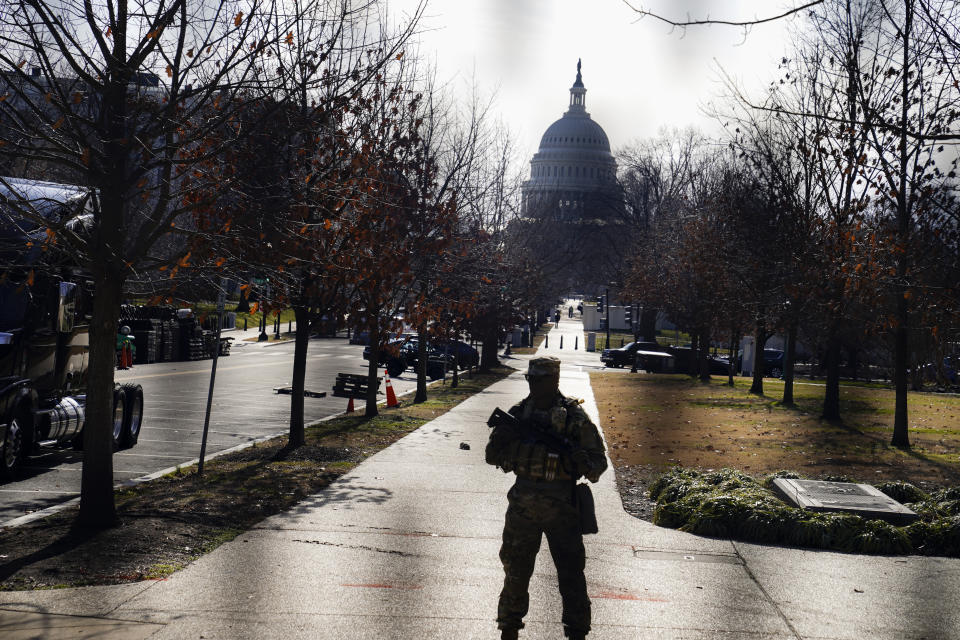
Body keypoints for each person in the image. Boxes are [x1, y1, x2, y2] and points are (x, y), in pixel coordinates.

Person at [485, 356, 607, 640]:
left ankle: (577, 630)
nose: (534, 384)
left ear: (554, 380)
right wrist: (505, 440)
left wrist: (582, 461)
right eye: (530, 379)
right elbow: (492, 456)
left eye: (540, 379)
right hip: (523, 506)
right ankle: (509, 627)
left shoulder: (574, 418)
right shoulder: (518, 414)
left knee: (571, 573)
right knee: (515, 570)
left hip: (561, 508)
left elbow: (598, 465)